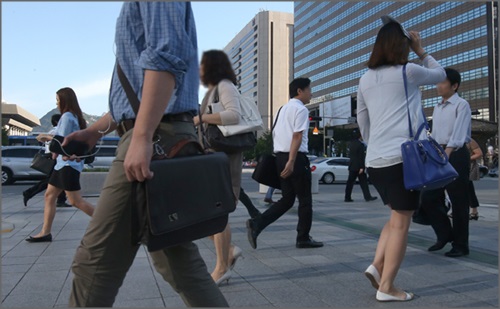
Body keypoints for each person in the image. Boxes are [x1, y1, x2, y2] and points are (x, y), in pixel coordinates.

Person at [62, 3, 228, 307]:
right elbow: (134, 95)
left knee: (95, 263)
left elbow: (166, 56)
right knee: (177, 262)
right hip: (158, 131)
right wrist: (95, 131)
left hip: (155, 134)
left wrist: (141, 136)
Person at [357, 19, 446, 302]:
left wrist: (375, 143)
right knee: (402, 223)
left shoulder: (365, 78)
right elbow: (441, 74)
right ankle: (387, 287)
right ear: (402, 46)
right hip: (402, 158)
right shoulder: (408, 71)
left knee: (396, 215)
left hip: (376, 160)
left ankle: (376, 265)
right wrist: (421, 51)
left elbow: (362, 119)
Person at [246, 78, 324, 249]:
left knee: (287, 199)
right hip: (294, 158)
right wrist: (292, 161)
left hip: (280, 157)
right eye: (309, 89)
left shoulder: (281, 109)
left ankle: (258, 224)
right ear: (299, 91)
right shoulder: (301, 109)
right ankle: (303, 238)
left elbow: (276, 134)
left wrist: (286, 160)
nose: (311, 93)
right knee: (305, 200)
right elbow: (297, 136)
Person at [194, 49, 247, 286]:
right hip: (214, 159)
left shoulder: (225, 86)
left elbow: (233, 115)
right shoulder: (215, 90)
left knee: (217, 213)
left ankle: (222, 266)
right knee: (205, 214)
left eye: (202, 65)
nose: (199, 69)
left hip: (224, 159)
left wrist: (202, 118)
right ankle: (229, 251)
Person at [26, 88, 95, 243]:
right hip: (62, 165)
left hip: (67, 165)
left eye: (58, 99)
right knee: (49, 195)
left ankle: (110, 223)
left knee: (76, 201)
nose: (56, 102)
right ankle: (45, 232)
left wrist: (45, 136)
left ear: (65, 100)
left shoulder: (68, 116)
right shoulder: (74, 116)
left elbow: (60, 140)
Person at [421, 68, 472, 258]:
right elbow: (434, 134)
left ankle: (461, 245)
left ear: (454, 86)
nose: (438, 86)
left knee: (459, 202)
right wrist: (432, 153)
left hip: (456, 154)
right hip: (439, 153)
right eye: (438, 82)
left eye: (442, 83)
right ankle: (444, 235)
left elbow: (459, 134)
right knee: (428, 197)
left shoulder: (461, 105)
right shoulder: (437, 107)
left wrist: (446, 153)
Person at [23, 114, 71, 208]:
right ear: (58, 122)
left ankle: (61, 200)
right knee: (54, 180)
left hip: (54, 157)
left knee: (59, 179)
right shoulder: (57, 131)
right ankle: (29, 192)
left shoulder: (53, 131)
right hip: (55, 157)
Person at [344, 129, 378, 203]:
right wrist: (362, 167)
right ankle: (367, 197)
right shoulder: (361, 145)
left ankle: (347, 197)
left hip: (352, 165)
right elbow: (361, 157)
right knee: (363, 183)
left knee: (350, 182)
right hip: (358, 167)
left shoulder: (351, 144)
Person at [467, 138, 482, 220]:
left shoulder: (470, 141)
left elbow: (479, 153)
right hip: (457, 167)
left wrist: (467, 158)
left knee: (469, 188)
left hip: (469, 167)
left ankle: (474, 211)